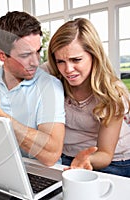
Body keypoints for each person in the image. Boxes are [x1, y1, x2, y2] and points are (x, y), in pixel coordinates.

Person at [0, 11, 65, 166]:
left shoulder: (50, 87)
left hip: (38, 170)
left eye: (38, 51)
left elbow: (51, 154)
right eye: (25, 55)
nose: (36, 62)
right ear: (2, 55)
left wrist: (1, 117)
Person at [47, 18, 130, 177]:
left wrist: (86, 160)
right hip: (67, 159)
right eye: (61, 61)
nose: (68, 69)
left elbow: (105, 154)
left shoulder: (112, 92)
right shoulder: (54, 79)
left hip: (115, 163)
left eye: (76, 59)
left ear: (94, 55)